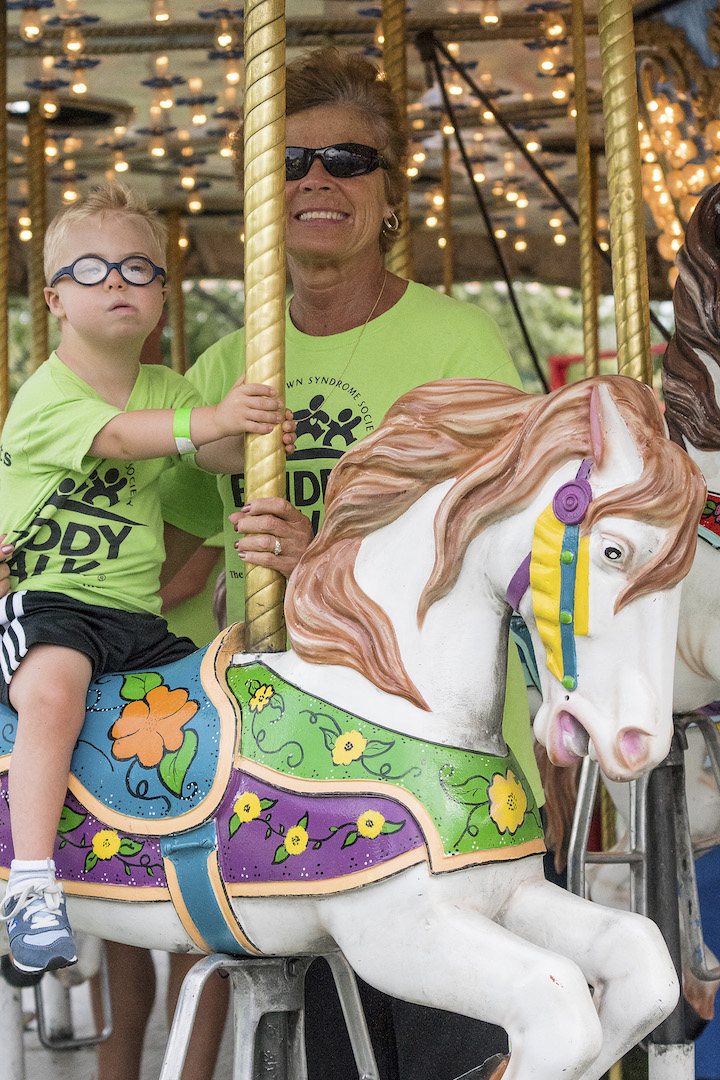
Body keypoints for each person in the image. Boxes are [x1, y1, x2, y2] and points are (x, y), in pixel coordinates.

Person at [155, 46, 540, 1080]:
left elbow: (506, 563)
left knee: (458, 1054)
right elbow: (174, 571)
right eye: (291, 163)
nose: (317, 180)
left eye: (347, 160)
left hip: (437, 784)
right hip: (286, 785)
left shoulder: (459, 347)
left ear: (391, 193)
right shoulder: (233, 368)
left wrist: (317, 557)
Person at [0, 180, 295, 976]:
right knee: (55, 689)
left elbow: (213, 455)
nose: (118, 283)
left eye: (138, 269)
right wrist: (216, 420)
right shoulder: (44, 395)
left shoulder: (170, 388)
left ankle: (213, 851)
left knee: (218, 700)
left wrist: (259, 434)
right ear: (55, 299)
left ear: (164, 295)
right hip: (48, 601)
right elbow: (127, 441)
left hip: (136, 615)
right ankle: (30, 884)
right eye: (91, 270)